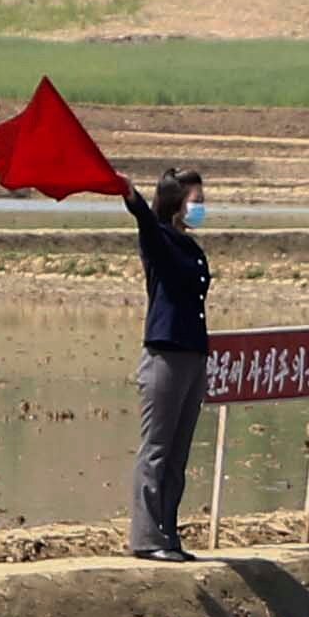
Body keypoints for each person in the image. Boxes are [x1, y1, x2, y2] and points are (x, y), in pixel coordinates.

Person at [124, 167, 211, 560]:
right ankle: (146, 540)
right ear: (176, 204)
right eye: (196, 201)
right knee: (156, 450)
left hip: (193, 354)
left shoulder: (191, 248)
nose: (202, 208)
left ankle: (168, 534)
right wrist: (130, 193)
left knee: (178, 454)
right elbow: (144, 218)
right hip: (165, 355)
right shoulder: (158, 239)